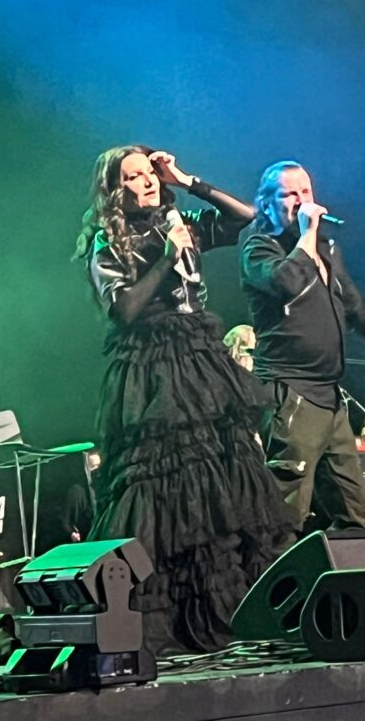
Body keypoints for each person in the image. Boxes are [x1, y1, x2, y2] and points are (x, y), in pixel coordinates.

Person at [74, 145, 293, 656]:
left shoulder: (179, 220)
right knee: (163, 483)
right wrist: (169, 258)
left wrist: (188, 180)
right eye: (133, 177)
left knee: (223, 471)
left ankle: (237, 606)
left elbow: (245, 219)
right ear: (115, 190)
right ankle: (164, 611)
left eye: (149, 172)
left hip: (200, 358)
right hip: (153, 366)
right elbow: (123, 309)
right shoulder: (108, 240)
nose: (147, 181)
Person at [241, 160, 365, 533]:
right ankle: (272, 570)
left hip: (330, 398)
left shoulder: (326, 249)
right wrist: (307, 234)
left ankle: (349, 569)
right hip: (291, 392)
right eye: (289, 194)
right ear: (267, 203)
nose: (301, 200)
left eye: (306, 191)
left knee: (355, 510)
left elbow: (357, 308)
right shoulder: (259, 247)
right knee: (286, 512)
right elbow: (286, 282)